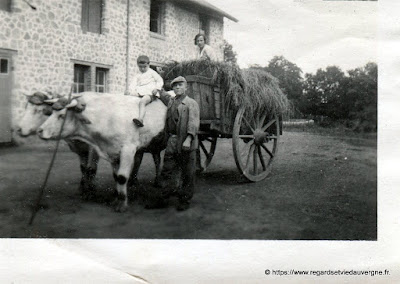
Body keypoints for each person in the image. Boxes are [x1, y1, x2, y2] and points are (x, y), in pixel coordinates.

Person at [158, 76, 200, 211]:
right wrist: (158, 91)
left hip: (186, 141)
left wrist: (188, 139)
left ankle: (185, 200)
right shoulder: (171, 101)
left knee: (188, 172)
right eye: (175, 86)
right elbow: (164, 96)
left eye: (180, 85)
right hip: (172, 140)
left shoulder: (191, 103)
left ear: (186, 87)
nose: (177, 87)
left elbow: (193, 123)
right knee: (167, 170)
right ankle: (164, 198)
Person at [125, 55, 164, 127]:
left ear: (148, 65)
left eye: (144, 67)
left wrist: (157, 88)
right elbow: (133, 84)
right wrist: (130, 91)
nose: (142, 69)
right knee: (127, 95)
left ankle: (140, 118)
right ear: (138, 66)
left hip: (150, 93)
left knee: (142, 102)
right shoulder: (138, 75)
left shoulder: (152, 73)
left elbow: (160, 81)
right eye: (140, 67)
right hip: (140, 91)